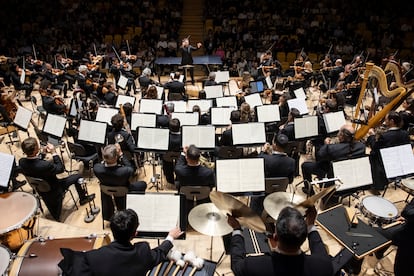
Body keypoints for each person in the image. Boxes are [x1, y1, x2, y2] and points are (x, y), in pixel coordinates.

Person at [58, 208, 184, 276]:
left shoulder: (94, 257)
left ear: (112, 230)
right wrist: (170, 237)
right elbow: (159, 253)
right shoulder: (143, 253)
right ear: (135, 234)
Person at [227, 206, 333, 276]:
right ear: (304, 238)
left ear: (275, 237)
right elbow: (319, 250)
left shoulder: (252, 266)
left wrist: (236, 229)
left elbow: (236, 265)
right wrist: (310, 225)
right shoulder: (323, 267)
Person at [19, 137, 95, 220]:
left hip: (41, 188)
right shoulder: (45, 165)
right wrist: (54, 153)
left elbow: (35, 164)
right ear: (35, 150)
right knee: (77, 176)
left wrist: (43, 154)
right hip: (55, 187)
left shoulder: (21, 162)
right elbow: (60, 169)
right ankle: (83, 198)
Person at [301, 124, 366, 195]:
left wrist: (326, 144)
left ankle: (309, 191)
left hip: (331, 175)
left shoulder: (330, 148)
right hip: (349, 175)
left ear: (341, 136)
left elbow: (318, 157)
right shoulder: (361, 147)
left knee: (305, 165)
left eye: (339, 132)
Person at [93, 144, 147, 221]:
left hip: (107, 191)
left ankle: (108, 215)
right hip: (123, 190)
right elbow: (131, 169)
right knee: (143, 184)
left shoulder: (97, 168)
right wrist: (121, 154)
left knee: (106, 190)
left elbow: (101, 164)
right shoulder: (125, 171)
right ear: (116, 157)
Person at [250, 134, 296, 215]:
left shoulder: (265, 158)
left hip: (262, 196)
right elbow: (290, 181)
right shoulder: (291, 161)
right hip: (279, 195)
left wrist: (263, 151)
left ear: (274, 145)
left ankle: (254, 218)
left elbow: (257, 163)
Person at [366, 111, 411, 193]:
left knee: (372, 154)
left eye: (386, 119)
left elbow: (375, 147)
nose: (384, 121)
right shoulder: (405, 134)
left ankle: (376, 183)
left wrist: (371, 136)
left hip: (386, 162)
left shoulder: (385, 136)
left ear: (392, 121)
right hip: (399, 161)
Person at [162, 118, 182, 184]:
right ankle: (178, 178)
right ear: (179, 127)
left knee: (165, 157)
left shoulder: (165, 137)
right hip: (179, 157)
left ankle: (170, 179)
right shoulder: (182, 137)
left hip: (167, 158)